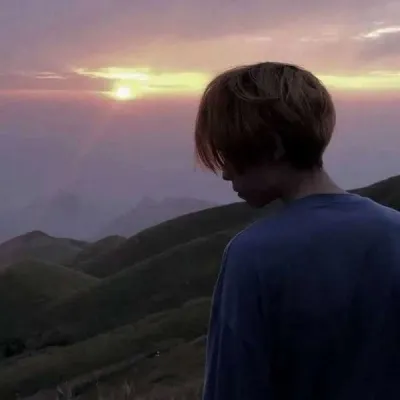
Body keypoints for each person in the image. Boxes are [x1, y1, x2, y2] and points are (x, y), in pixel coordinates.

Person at [194, 61, 400, 400]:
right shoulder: (394, 230)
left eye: (228, 153)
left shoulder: (253, 256)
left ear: (274, 146)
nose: (225, 172)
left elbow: (233, 386)